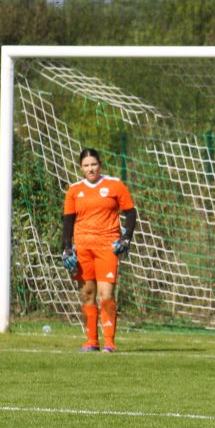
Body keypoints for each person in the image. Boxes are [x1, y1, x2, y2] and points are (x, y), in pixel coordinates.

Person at [61, 148, 137, 353]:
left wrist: (126, 237)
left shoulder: (115, 185)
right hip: (83, 249)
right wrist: (67, 249)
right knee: (87, 294)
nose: (90, 168)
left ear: (100, 164)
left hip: (107, 248)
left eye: (93, 164)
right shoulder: (74, 190)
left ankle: (109, 343)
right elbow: (67, 222)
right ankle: (91, 341)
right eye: (86, 165)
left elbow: (131, 213)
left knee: (106, 294)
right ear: (81, 168)